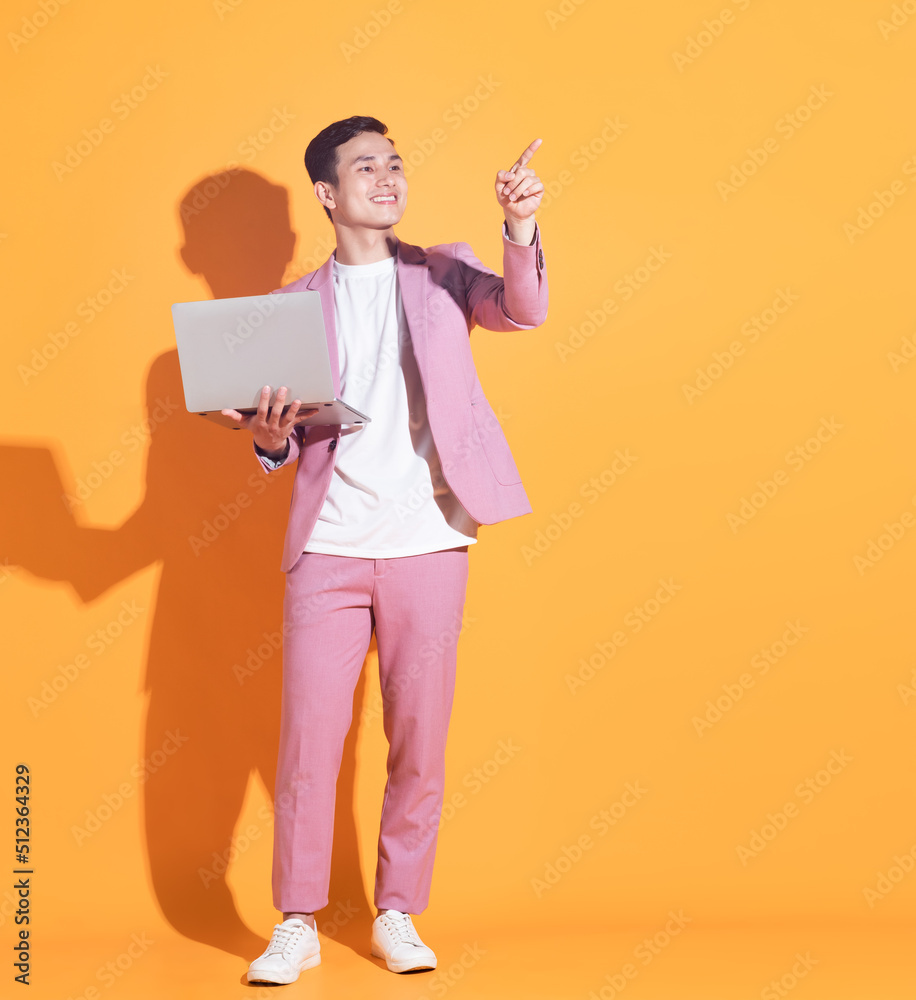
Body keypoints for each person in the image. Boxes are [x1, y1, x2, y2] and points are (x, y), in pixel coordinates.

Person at [225, 115, 548, 984]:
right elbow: (278, 445)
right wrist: (265, 439)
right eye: (366, 166)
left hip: (428, 542)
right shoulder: (288, 309)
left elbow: (522, 311)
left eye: (396, 163)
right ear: (327, 193)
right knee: (308, 746)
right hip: (327, 549)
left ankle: (396, 910)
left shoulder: (442, 272)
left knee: (420, 739)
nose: (388, 176)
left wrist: (519, 226)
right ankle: (295, 919)